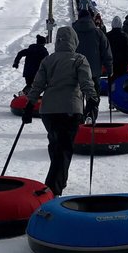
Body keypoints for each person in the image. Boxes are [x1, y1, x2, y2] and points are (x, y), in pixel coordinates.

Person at [22, 25, 99, 197]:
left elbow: (38, 84)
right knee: (64, 148)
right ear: (74, 41)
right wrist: (93, 100)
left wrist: (30, 104)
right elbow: (86, 83)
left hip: (48, 111)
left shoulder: (48, 60)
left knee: (56, 143)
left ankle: (60, 179)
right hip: (70, 109)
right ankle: (53, 189)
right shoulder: (79, 59)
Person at [72, 3, 112, 81]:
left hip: (77, 71)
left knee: (77, 92)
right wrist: (109, 68)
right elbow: (106, 51)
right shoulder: (98, 33)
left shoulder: (72, 32)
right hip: (94, 71)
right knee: (94, 91)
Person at [106, 16, 128, 80]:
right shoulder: (124, 35)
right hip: (122, 63)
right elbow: (127, 49)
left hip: (111, 63)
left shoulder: (107, 35)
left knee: (111, 80)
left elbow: (105, 49)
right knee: (121, 81)